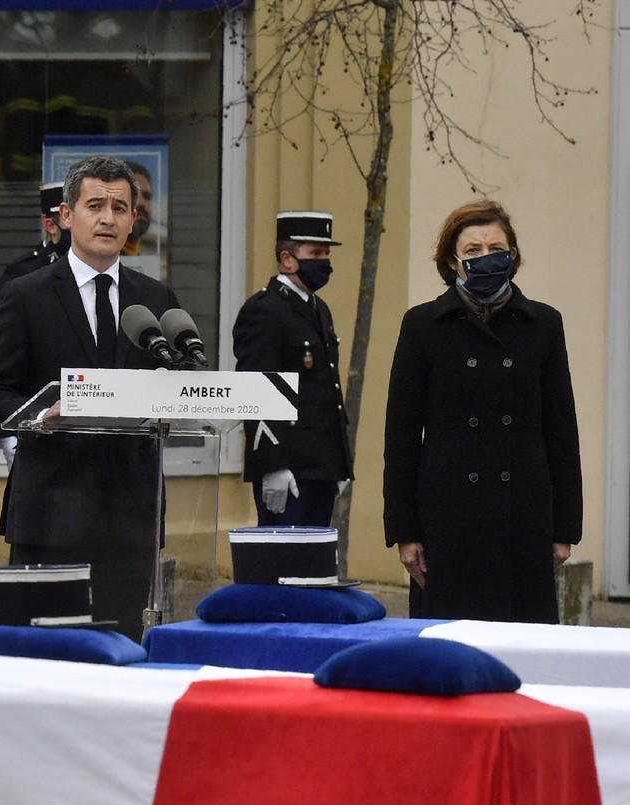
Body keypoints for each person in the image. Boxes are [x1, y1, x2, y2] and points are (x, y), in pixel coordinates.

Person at [0, 155, 182, 642]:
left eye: (119, 207)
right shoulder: (26, 294)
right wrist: (42, 415)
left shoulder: (156, 300)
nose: (107, 218)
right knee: (46, 655)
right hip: (51, 510)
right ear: (66, 216)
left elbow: (177, 390)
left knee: (122, 654)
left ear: (134, 219)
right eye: (94, 205)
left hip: (132, 513)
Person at [383, 199, 582, 623]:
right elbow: (401, 437)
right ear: (453, 262)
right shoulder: (422, 326)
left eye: (496, 248)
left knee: (523, 649)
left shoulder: (544, 324)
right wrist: (405, 532)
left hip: (523, 514)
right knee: (449, 647)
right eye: (472, 250)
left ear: (512, 256)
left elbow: (562, 430)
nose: (485, 257)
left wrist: (565, 530)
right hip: (448, 516)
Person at [232, 210, 353, 525]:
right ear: (287, 259)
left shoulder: (318, 309)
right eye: (315, 253)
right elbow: (257, 389)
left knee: (313, 568)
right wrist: (271, 465)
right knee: (283, 566)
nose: (324, 261)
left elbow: (327, 389)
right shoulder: (265, 310)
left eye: (326, 253)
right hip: (289, 468)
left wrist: (339, 462)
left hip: (322, 465)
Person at [0, 181, 70, 465]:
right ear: (50, 224)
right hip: (32, 423)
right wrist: (9, 428)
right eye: (66, 219)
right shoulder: (23, 275)